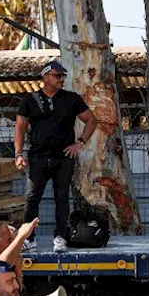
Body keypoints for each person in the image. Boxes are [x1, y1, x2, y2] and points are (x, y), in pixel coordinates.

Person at [14, 61, 99, 254]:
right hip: (38, 157)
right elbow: (20, 127)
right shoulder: (30, 99)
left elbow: (91, 119)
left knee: (62, 198)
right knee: (32, 198)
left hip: (63, 158)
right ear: (45, 77)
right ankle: (28, 238)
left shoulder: (71, 99)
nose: (61, 79)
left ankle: (60, 237)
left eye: (63, 76)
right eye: (57, 76)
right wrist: (18, 154)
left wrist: (80, 142)